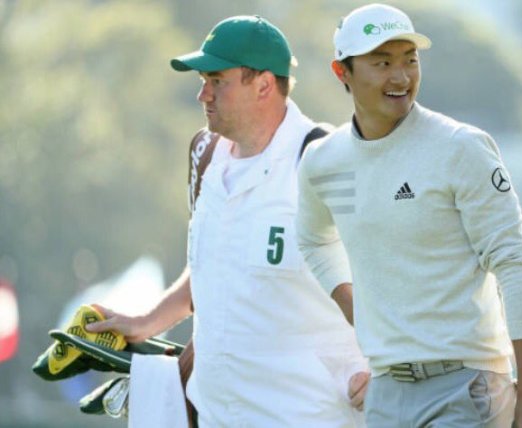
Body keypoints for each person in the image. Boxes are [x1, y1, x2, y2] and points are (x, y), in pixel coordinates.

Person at [87, 15, 368, 427]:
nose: (203, 94)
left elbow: (390, 272)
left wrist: (382, 368)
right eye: (203, 81)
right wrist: (146, 322)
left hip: (311, 415)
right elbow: (213, 264)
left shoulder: (326, 159)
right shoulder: (203, 153)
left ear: (264, 85)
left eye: (217, 81)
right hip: (216, 416)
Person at [296, 4, 522, 428]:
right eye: (382, 63)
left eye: (410, 60)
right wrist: (353, 306)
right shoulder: (324, 161)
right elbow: (312, 239)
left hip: (468, 385)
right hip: (386, 391)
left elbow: (514, 265)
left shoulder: (460, 147)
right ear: (342, 72)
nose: (401, 77)